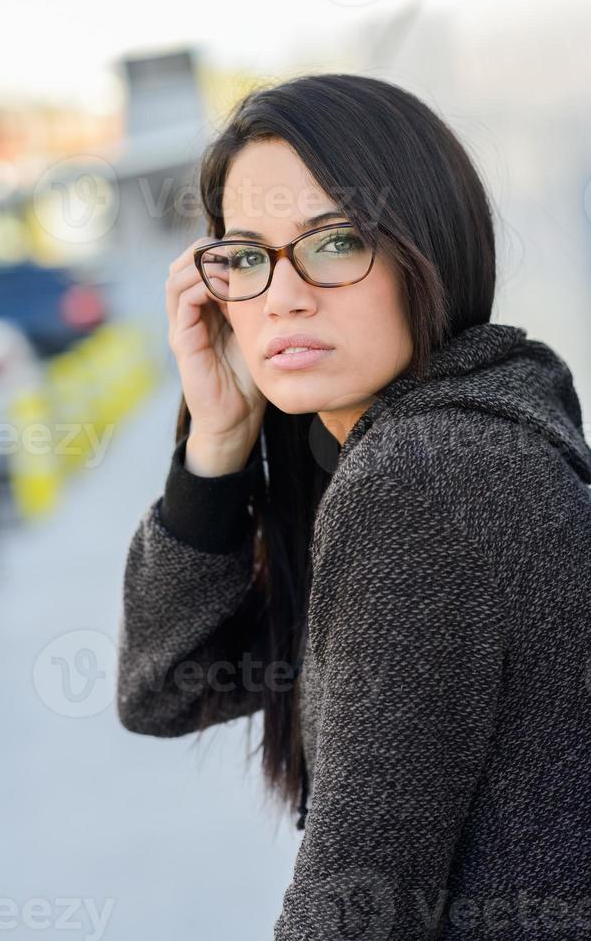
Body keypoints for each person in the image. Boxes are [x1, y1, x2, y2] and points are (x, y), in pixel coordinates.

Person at [116, 73, 591, 939]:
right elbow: (164, 691)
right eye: (247, 255)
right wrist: (217, 441)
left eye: (333, 243)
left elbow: (359, 903)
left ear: (430, 251)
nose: (284, 295)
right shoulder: (403, 447)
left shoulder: (427, 476)